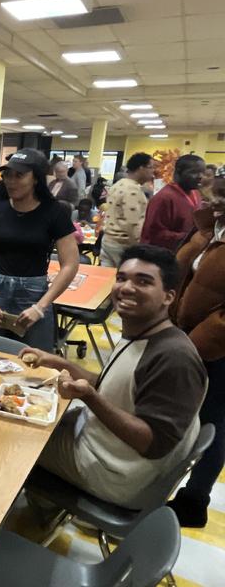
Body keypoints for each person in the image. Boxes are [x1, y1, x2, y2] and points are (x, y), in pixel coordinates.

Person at [23, 245, 207, 509]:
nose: (127, 288)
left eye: (143, 281)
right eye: (122, 278)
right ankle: (42, 506)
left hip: (114, 475)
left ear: (168, 297)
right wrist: (59, 362)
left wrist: (89, 397)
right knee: (32, 417)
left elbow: (153, 444)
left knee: (13, 438)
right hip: (101, 446)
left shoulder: (174, 358)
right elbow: (113, 385)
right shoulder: (142, 331)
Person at [0, 148, 79, 350]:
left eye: (19, 176)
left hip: (34, 295)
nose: (11, 181)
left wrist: (41, 307)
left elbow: (70, 264)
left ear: (35, 178)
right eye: (8, 175)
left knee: (35, 361)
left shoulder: (54, 212)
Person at [166, 177, 225, 527]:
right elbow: (182, 271)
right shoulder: (212, 230)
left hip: (213, 351)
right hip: (186, 338)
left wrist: (192, 344)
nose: (214, 201)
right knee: (184, 417)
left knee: (213, 424)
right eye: (215, 194)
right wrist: (203, 230)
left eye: (223, 197)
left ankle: (194, 500)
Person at [140, 154, 205, 251]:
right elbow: (154, 234)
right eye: (194, 172)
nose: (200, 176)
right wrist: (189, 237)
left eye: (202, 172)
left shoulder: (196, 193)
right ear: (179, 172)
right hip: (161, 256)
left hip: (186, 253)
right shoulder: (164, 198)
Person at [100, 152, 154, 267]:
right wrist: (139, 248)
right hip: (123, 245)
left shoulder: (118, 184)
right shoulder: (132, 190)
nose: (153, 171)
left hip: (108, 239)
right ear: (141, 168)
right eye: (151, 167)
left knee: (108, 278)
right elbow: (133, 224)